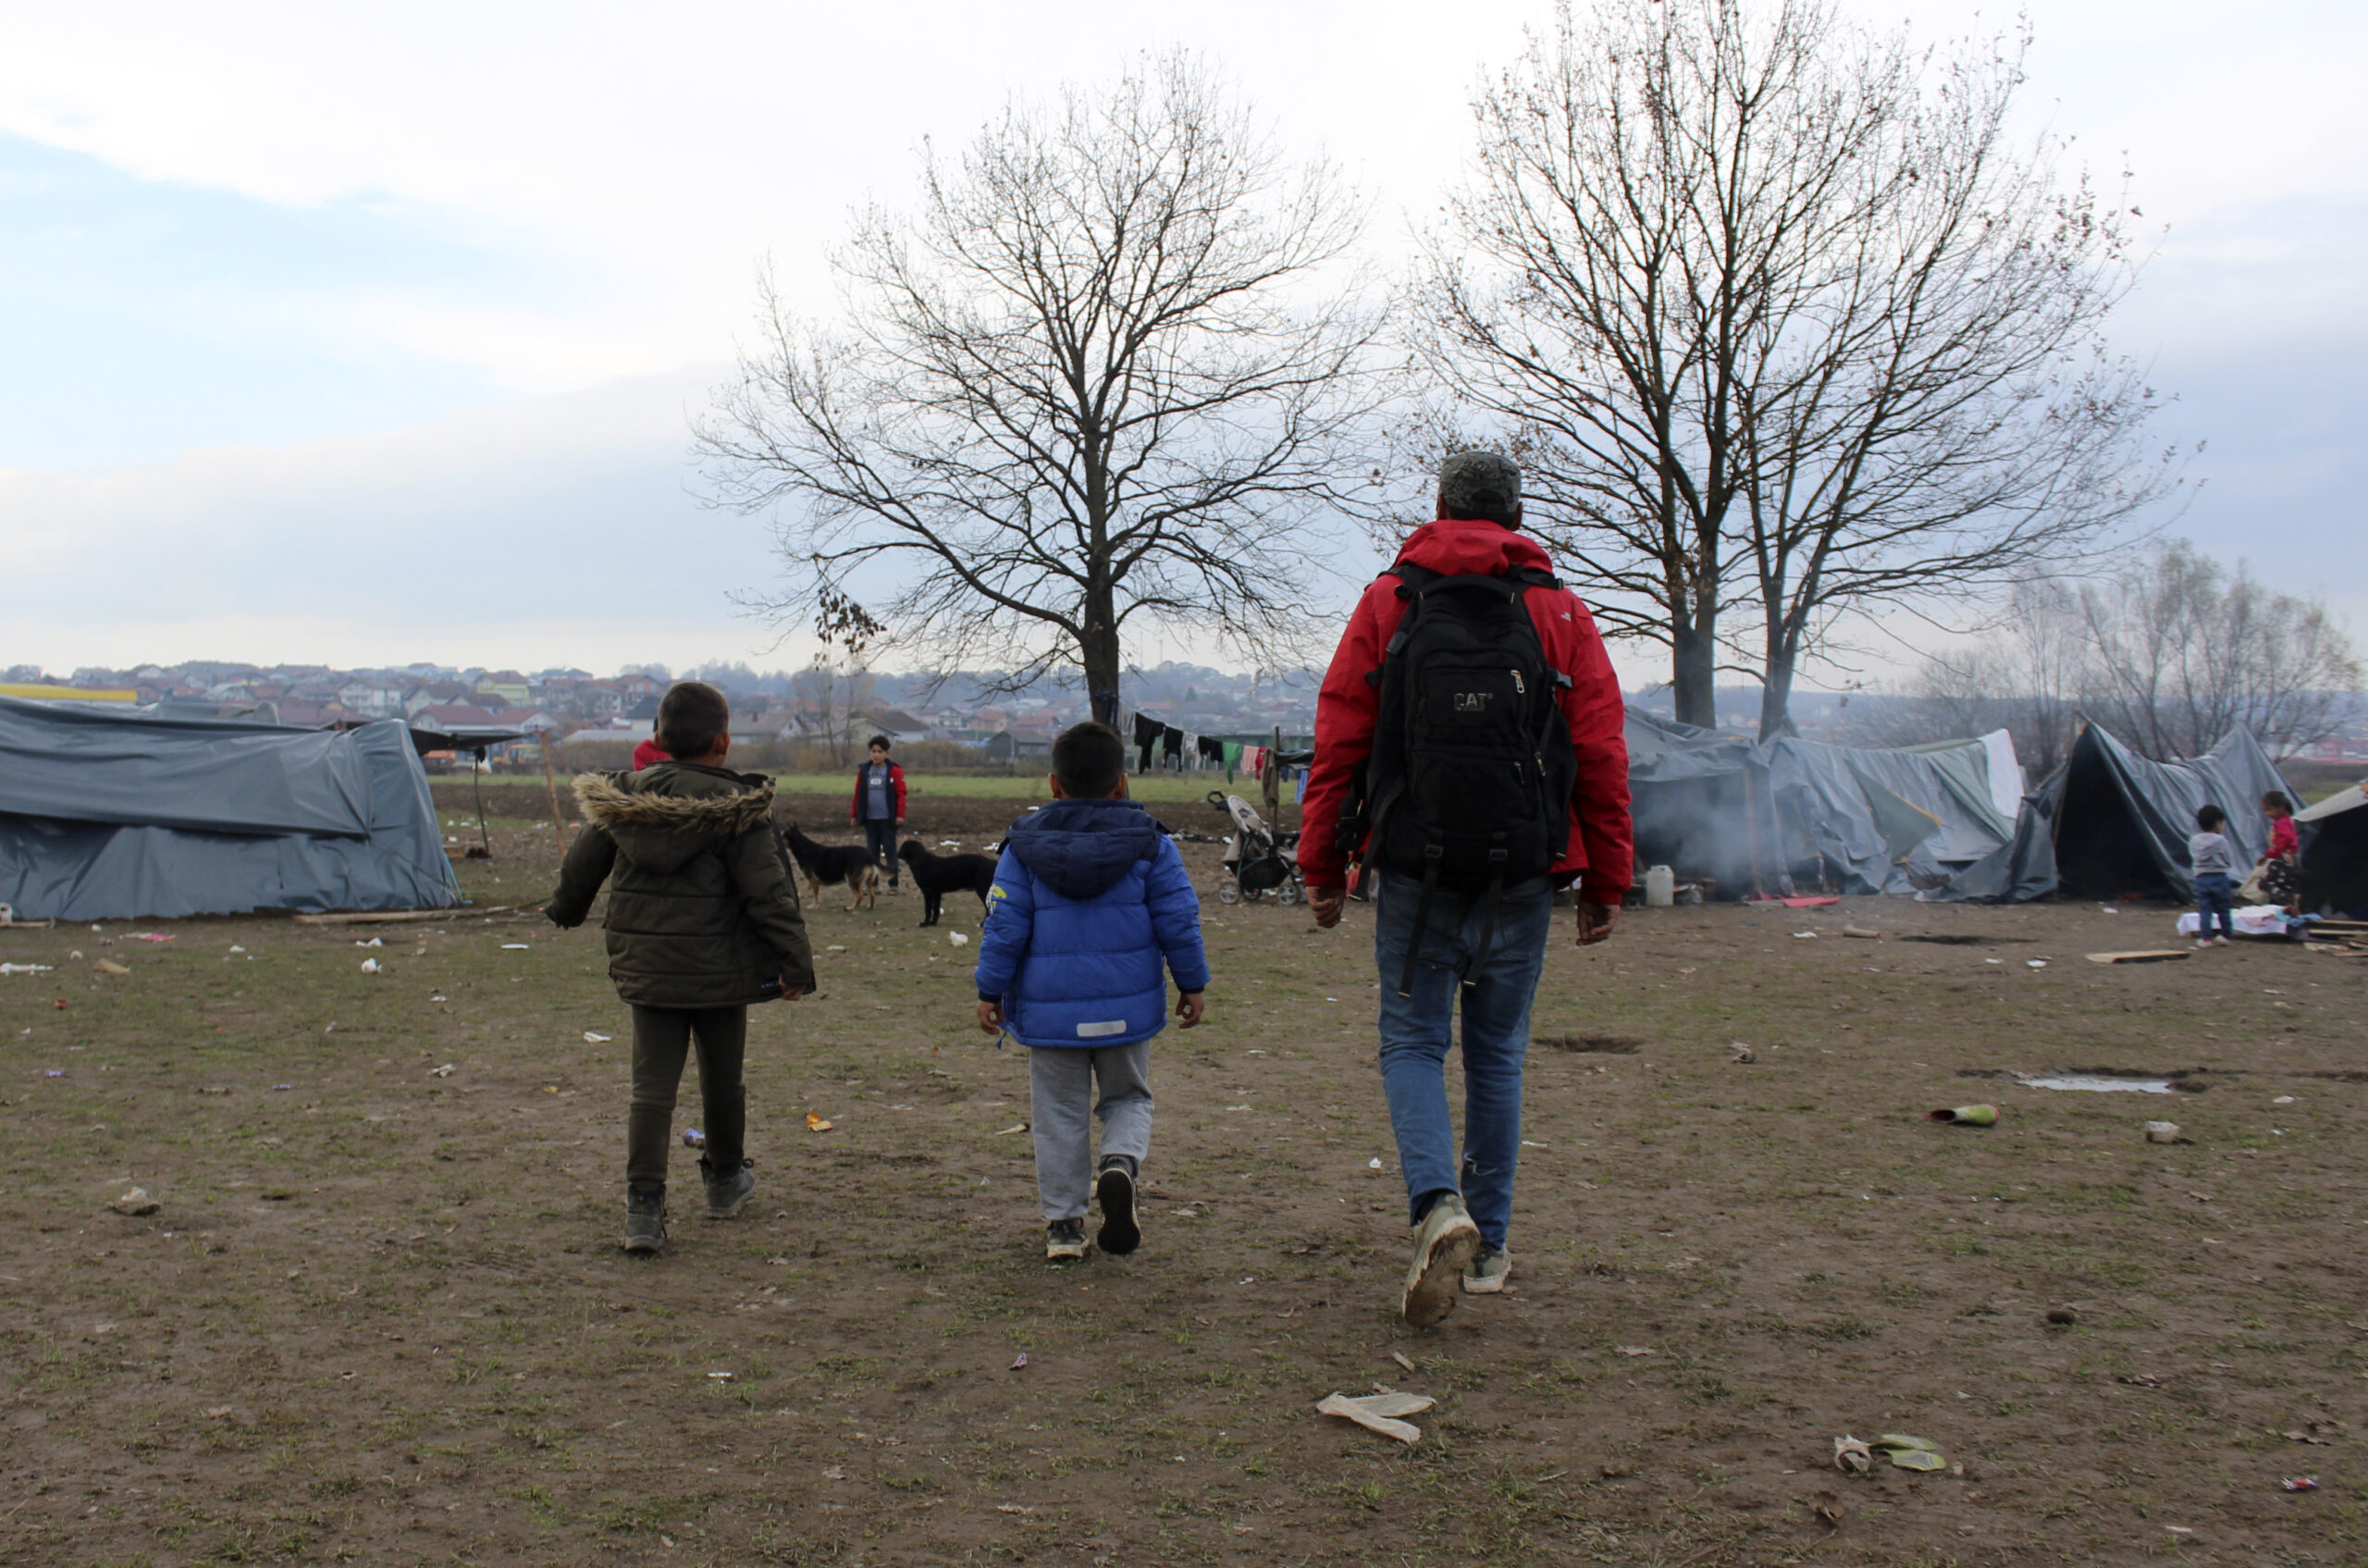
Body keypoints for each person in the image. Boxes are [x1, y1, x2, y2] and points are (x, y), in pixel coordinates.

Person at [1301, 451, 1633, 1327]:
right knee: (1497, 1053)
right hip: (1522, 871)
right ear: (1516, 514)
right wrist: (1607, 875)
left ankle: (1436, 1204)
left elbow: (1339, 735)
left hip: (1414, 865)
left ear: (1439, 506)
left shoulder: (1389, 600)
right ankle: (1488, 1245)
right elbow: (1599, 751)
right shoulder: (1558, 609)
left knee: (1411, 1044)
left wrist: (1320, 865)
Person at [547, 680, 816, 1254]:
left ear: (657, 738)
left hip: (649, 967)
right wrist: (795, 963)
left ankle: (643, 1207)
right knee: (723, 1080)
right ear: (723, 741)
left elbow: (579, 870)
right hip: (722, 972)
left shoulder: (620, 802)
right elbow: (770, 895)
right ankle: (724, 1181)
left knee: (651, 1089)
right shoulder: (739, 809)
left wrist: (565, 911)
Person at [972, 721, 1209, 1261]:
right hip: (1129, 1011)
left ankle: (1064, 1227)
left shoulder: (1022, 848)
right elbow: (1180, 920)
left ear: (1053, 785)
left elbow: (1003, 926)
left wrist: (990, 991)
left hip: (1050, 1016)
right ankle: (1120, 1164)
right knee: (1128, 1097)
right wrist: (1191, 983)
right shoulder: (1154, 843)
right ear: (1122, 783)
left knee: (1058, 1111)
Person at [851, 735, 907, 894]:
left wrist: (899, 815)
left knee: (890, 852)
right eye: (873, 751)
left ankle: (893, 885)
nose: (876, 755)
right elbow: (857, 794)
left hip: (887, 820)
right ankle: (873, 885)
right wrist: (854, 815)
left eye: (879, 751)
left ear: (887, 753)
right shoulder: (864, 771)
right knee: (871, 853)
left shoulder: (894, 770)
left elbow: (901, 794)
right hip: (870, 819)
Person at [2190, 803, 2237, 948]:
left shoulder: (2194, 841)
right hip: (2220, 877)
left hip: (2202, 878)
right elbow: (2228, 858)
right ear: (2217, 824)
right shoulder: (2221, 841)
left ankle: (2206, 938)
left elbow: (2193, 857)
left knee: (2205, 909)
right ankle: (2226, 935)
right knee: (2223, 908)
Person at [2259, 790, 2300, 911]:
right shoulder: (2287, 821)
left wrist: (2277, 852)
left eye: (2270, 810)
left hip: (2282, 860)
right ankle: (2287, 906)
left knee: (2265, 883)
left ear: (2281, 808)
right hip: (2290, 858)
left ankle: (2289, 899)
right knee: (2285, 885)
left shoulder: (2281, 824)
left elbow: (2285, 838)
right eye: (2265, 811)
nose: (2267, 814)